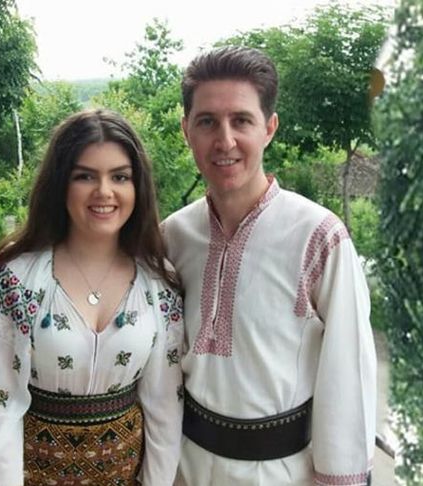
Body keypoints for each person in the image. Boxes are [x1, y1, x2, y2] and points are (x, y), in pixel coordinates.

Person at [163, 46, 377, 485]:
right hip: (184, 467)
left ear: (269, 128)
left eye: (241, 120)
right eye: (207, 122)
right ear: (187, 130)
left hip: (281, 473)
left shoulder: (318, 236)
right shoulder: (172, 236)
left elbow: (348, 371)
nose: (225, 141)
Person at [0, 109, 184, 486]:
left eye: (120, 177)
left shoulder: (158, 283)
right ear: (60, 184)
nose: (104, 192)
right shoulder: (18, 281)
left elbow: (164, 406)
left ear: (138, 187)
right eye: (85, 176)